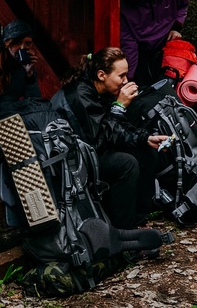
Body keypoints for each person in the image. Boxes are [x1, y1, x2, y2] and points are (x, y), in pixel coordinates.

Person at [60, 47, 170, 229]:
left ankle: (139, 222)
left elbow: (114, 129)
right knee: (126, 163)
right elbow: (100, 139)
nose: (126, 81)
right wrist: (119, 107)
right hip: (76, 160)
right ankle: (123, 231)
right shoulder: (81, 95)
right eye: (121, 76)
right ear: (102, 74)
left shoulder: (101, 91)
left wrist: (145, 138)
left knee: (146, 152)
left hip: (94, 149)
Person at [0, 19, 43, 150]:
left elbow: (34, 102)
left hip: (10, 123)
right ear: (8, 44)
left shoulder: (22, 67)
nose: (23, 48)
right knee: (23, 144)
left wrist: (29, 75)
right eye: (18, 43)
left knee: (43, 136)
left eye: (28, 43)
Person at [120, 0, 191, 85]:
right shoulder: (124, 4)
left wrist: (176, 27)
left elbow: (182, 5)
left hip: (167, 46)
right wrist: (128, 77)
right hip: (142, 52)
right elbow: (128, 41)